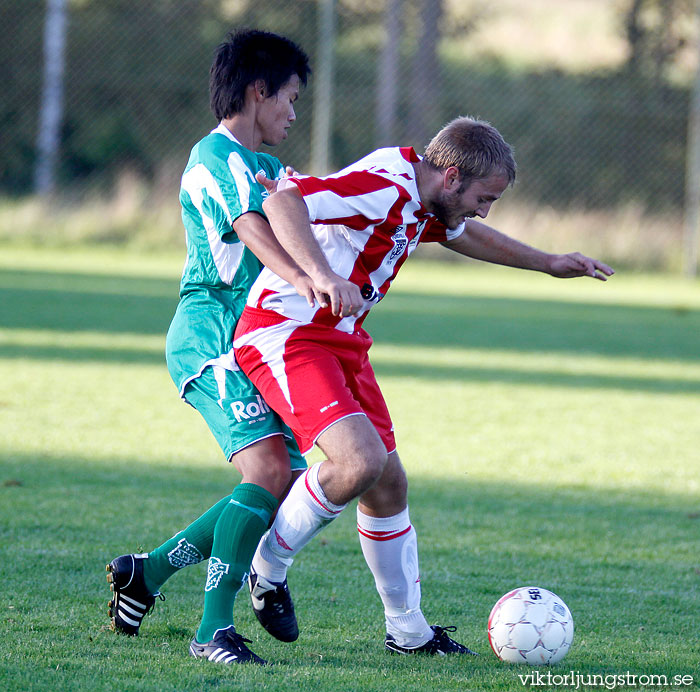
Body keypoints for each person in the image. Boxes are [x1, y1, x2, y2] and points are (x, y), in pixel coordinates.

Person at [233, 116, 614, 656]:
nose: (485, 209)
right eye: (486, 197)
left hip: (340, 338)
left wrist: (548, 263)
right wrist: (319, 275)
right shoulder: (385, 185)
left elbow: (463, 233)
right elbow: (285, 201)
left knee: (388, 483)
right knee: (359, 463)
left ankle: (408, 632)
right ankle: (268, 565)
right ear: (453, 177)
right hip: (286, 333)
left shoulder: (426, 195)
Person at [105, 28, 317, 666]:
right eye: (289, 98)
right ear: (258, 92)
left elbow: (313, 211)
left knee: (286, 482)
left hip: (256, 342)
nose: (292, 112)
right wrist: (305, 277)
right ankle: (212, 630)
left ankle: (145, 573)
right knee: (270, 473)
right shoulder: (217, 157)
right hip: (212, 338)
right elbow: (251, 228)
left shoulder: (270, 168)